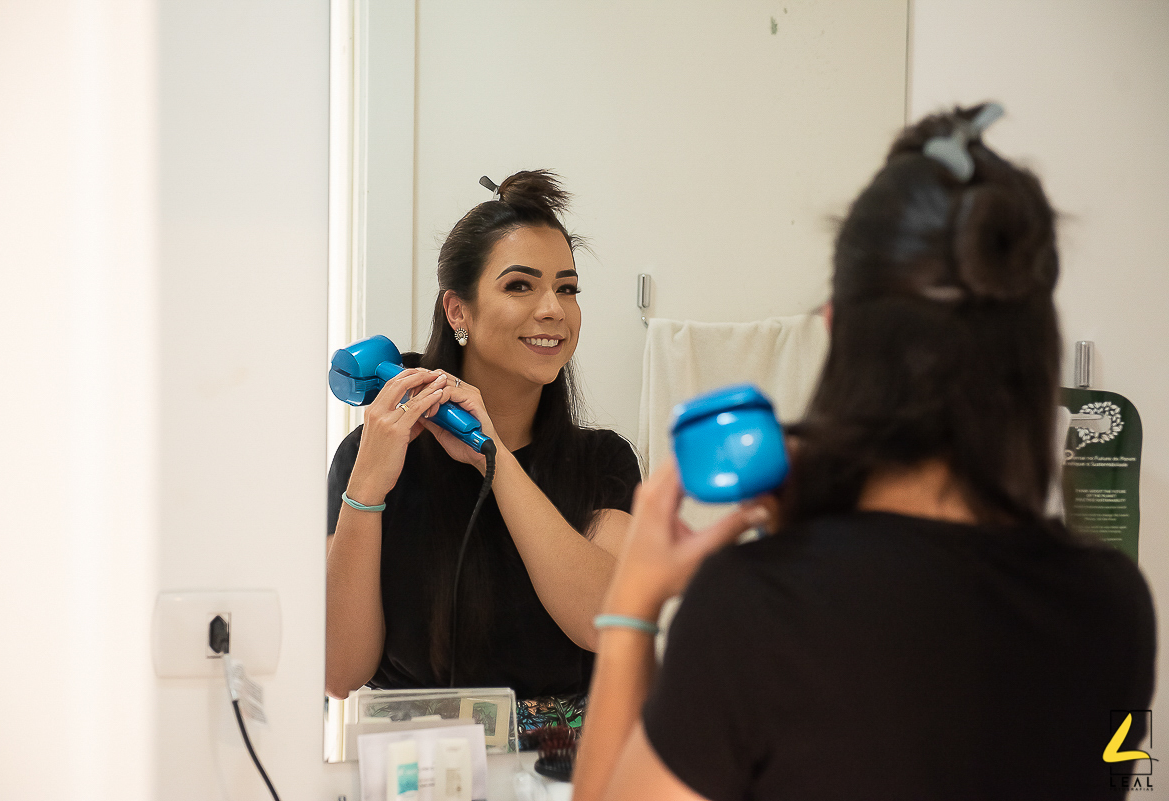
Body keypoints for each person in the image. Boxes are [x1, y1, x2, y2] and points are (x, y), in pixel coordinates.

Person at [573, 105, 1156, 800]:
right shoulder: (1113, 606)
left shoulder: (751, 608)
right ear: (1031, 349)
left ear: (838, 330)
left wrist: (632, 606)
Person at [325, 170, 641, 706]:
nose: (552, 309)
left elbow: (605, 622)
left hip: (558, 777)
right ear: (457, 311)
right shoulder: (369, 458)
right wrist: (366, 492)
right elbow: (339, 671)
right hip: (410, 772)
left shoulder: (602, 461)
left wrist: (491, 457)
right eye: (520, 285)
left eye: (567, 288)